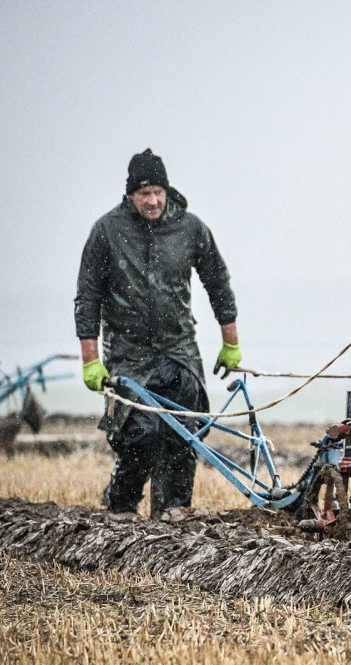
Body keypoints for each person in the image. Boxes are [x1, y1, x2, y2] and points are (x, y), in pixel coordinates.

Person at [74, 149, 243, 517]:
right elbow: (88, 296)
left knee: (184, 435)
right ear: (130, 195)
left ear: (167, 191)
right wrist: (91, 361)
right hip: (128, 354)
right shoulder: (108, 231)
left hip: (178, 349)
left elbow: (217, 282)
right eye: (143, 193)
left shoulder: (190, 228)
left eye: (157, 192)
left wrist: (231, 343)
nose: (151, 200)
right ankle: (120, 505)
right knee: (142, 436)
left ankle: (172, 521)